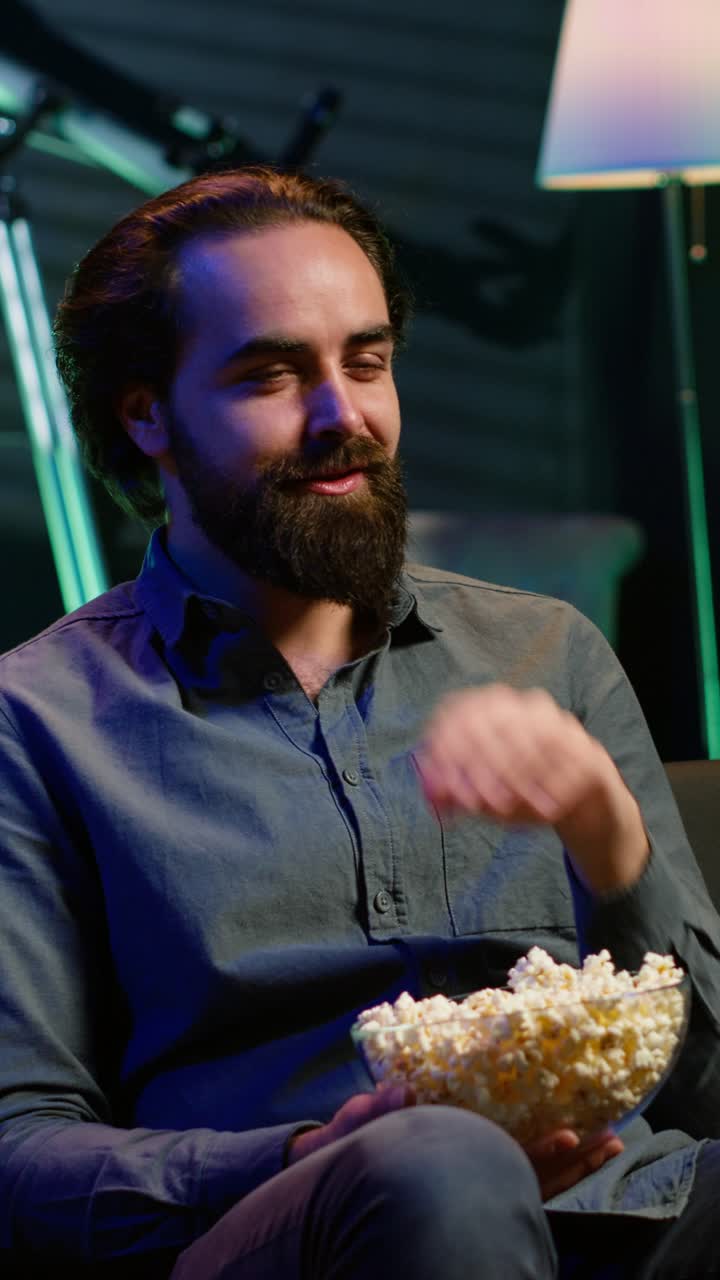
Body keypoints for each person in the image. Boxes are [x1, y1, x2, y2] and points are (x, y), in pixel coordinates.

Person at [0, 166, 719, 1280]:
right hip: (293, 1225)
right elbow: (19, 1151)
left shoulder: (547, 651)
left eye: (367, 361)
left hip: (632, 1207)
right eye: (271, 374)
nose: (344, 415)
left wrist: (613, 846)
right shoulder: (39, 720)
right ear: (146, 413)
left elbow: (707, 1089)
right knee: (441, 1165)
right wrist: (302, 1156)